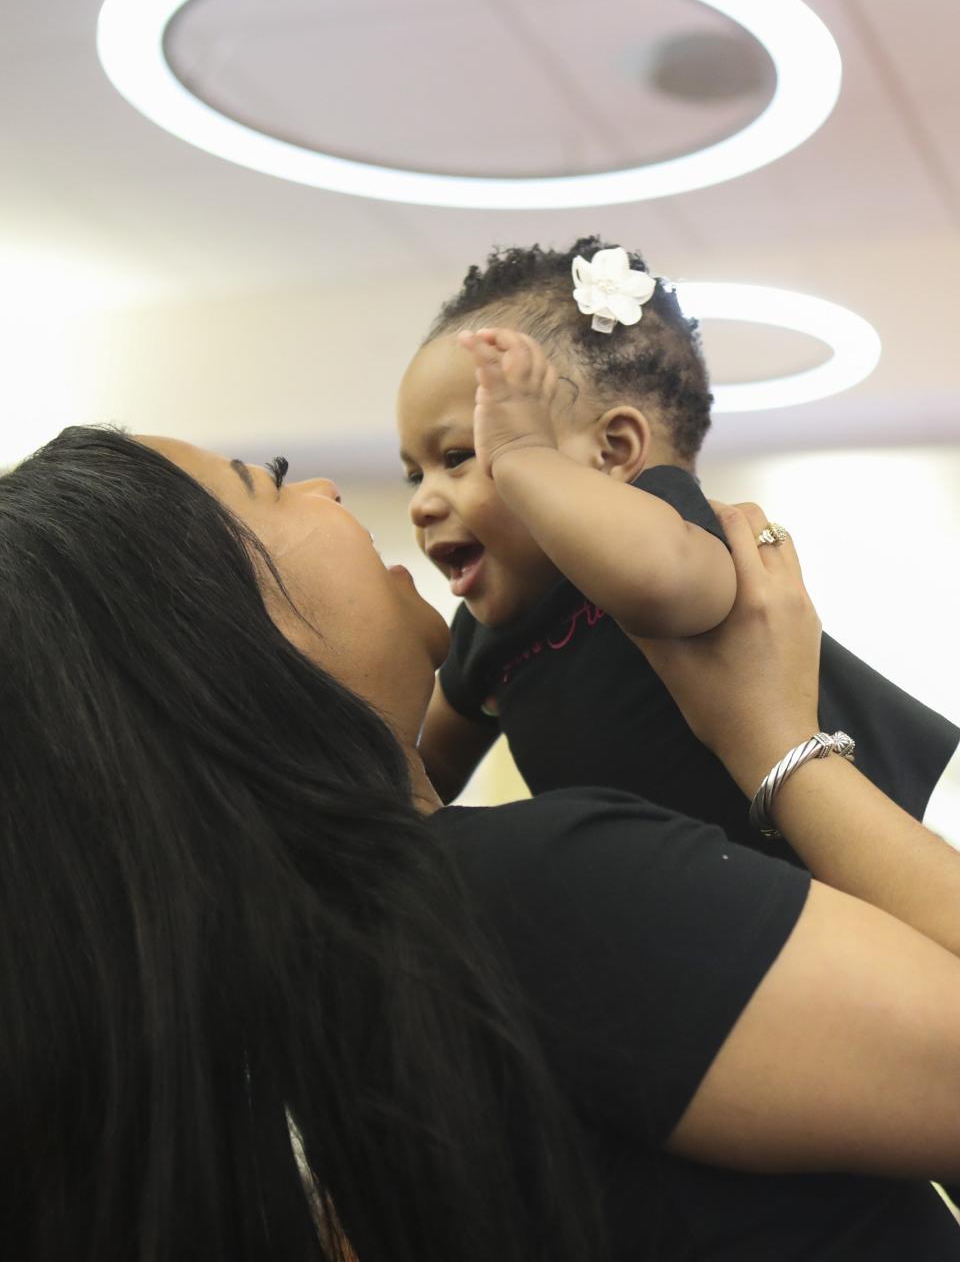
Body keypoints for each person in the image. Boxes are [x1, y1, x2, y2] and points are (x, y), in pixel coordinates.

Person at [2, 426, 960, 1262]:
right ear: (207, 638)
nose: (329, 489)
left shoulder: (296, 988)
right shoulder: (526, 899)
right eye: (272, 482)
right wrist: (778, 742)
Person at [397, 238, 959, 858]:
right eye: (415, 474)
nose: (423, 502)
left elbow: (667, 586)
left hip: (848, 877)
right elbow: (421, 775)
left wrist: (519, 459)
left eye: (459, 456)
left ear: (612, 453)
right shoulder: (487, 633)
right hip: (675, 910)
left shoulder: (667, 519)